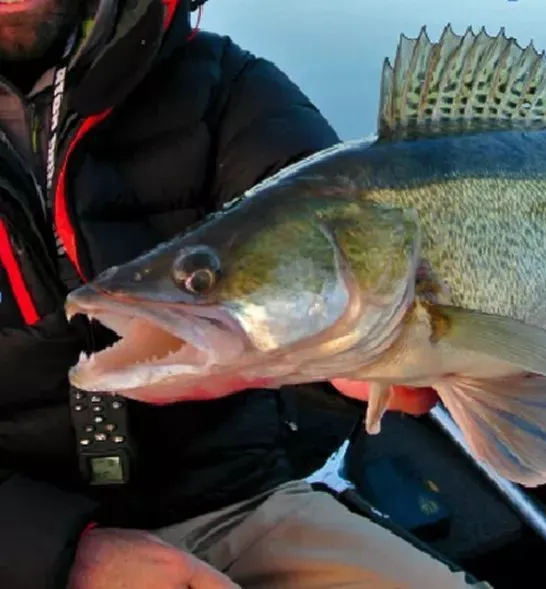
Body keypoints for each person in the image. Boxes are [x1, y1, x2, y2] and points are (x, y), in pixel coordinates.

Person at [0, 1, 503, 587]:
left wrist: (352, 374)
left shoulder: (229, 89)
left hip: (239, 505)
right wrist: (61, 555)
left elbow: (342, 263)